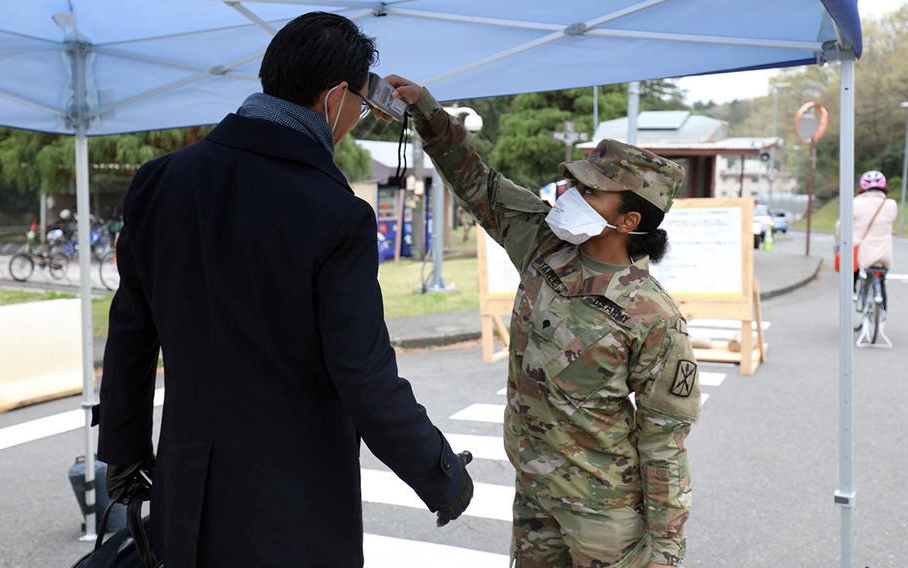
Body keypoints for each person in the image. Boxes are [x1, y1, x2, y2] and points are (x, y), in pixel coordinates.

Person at [97, 13, 473, 568]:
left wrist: (124, 453)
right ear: (335, 96)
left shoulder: (160, 181)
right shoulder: (335, 213)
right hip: (291, 509)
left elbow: (130, 330)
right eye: (360, 106)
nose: (355, 120)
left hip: (185, 494)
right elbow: (364, 374)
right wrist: (442, 474)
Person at [389, 77, 700, 568]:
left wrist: (664, 548)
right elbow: (477, 181)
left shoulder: (654, 314)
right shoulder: (543, 246)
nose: (572, 193)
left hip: (603, 515)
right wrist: (428, 113)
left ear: (629, 222)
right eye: (576, 182)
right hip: (534, 495)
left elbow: (664, 440)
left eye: (591, 191)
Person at [837, 170, 898, 308]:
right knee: (881, 277)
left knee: (854, 268)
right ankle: (882, 312)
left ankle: (852, 291)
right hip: (884, 253)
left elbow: (842, 225)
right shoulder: (891, 204)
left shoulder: (855, 203)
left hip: (862, 252)